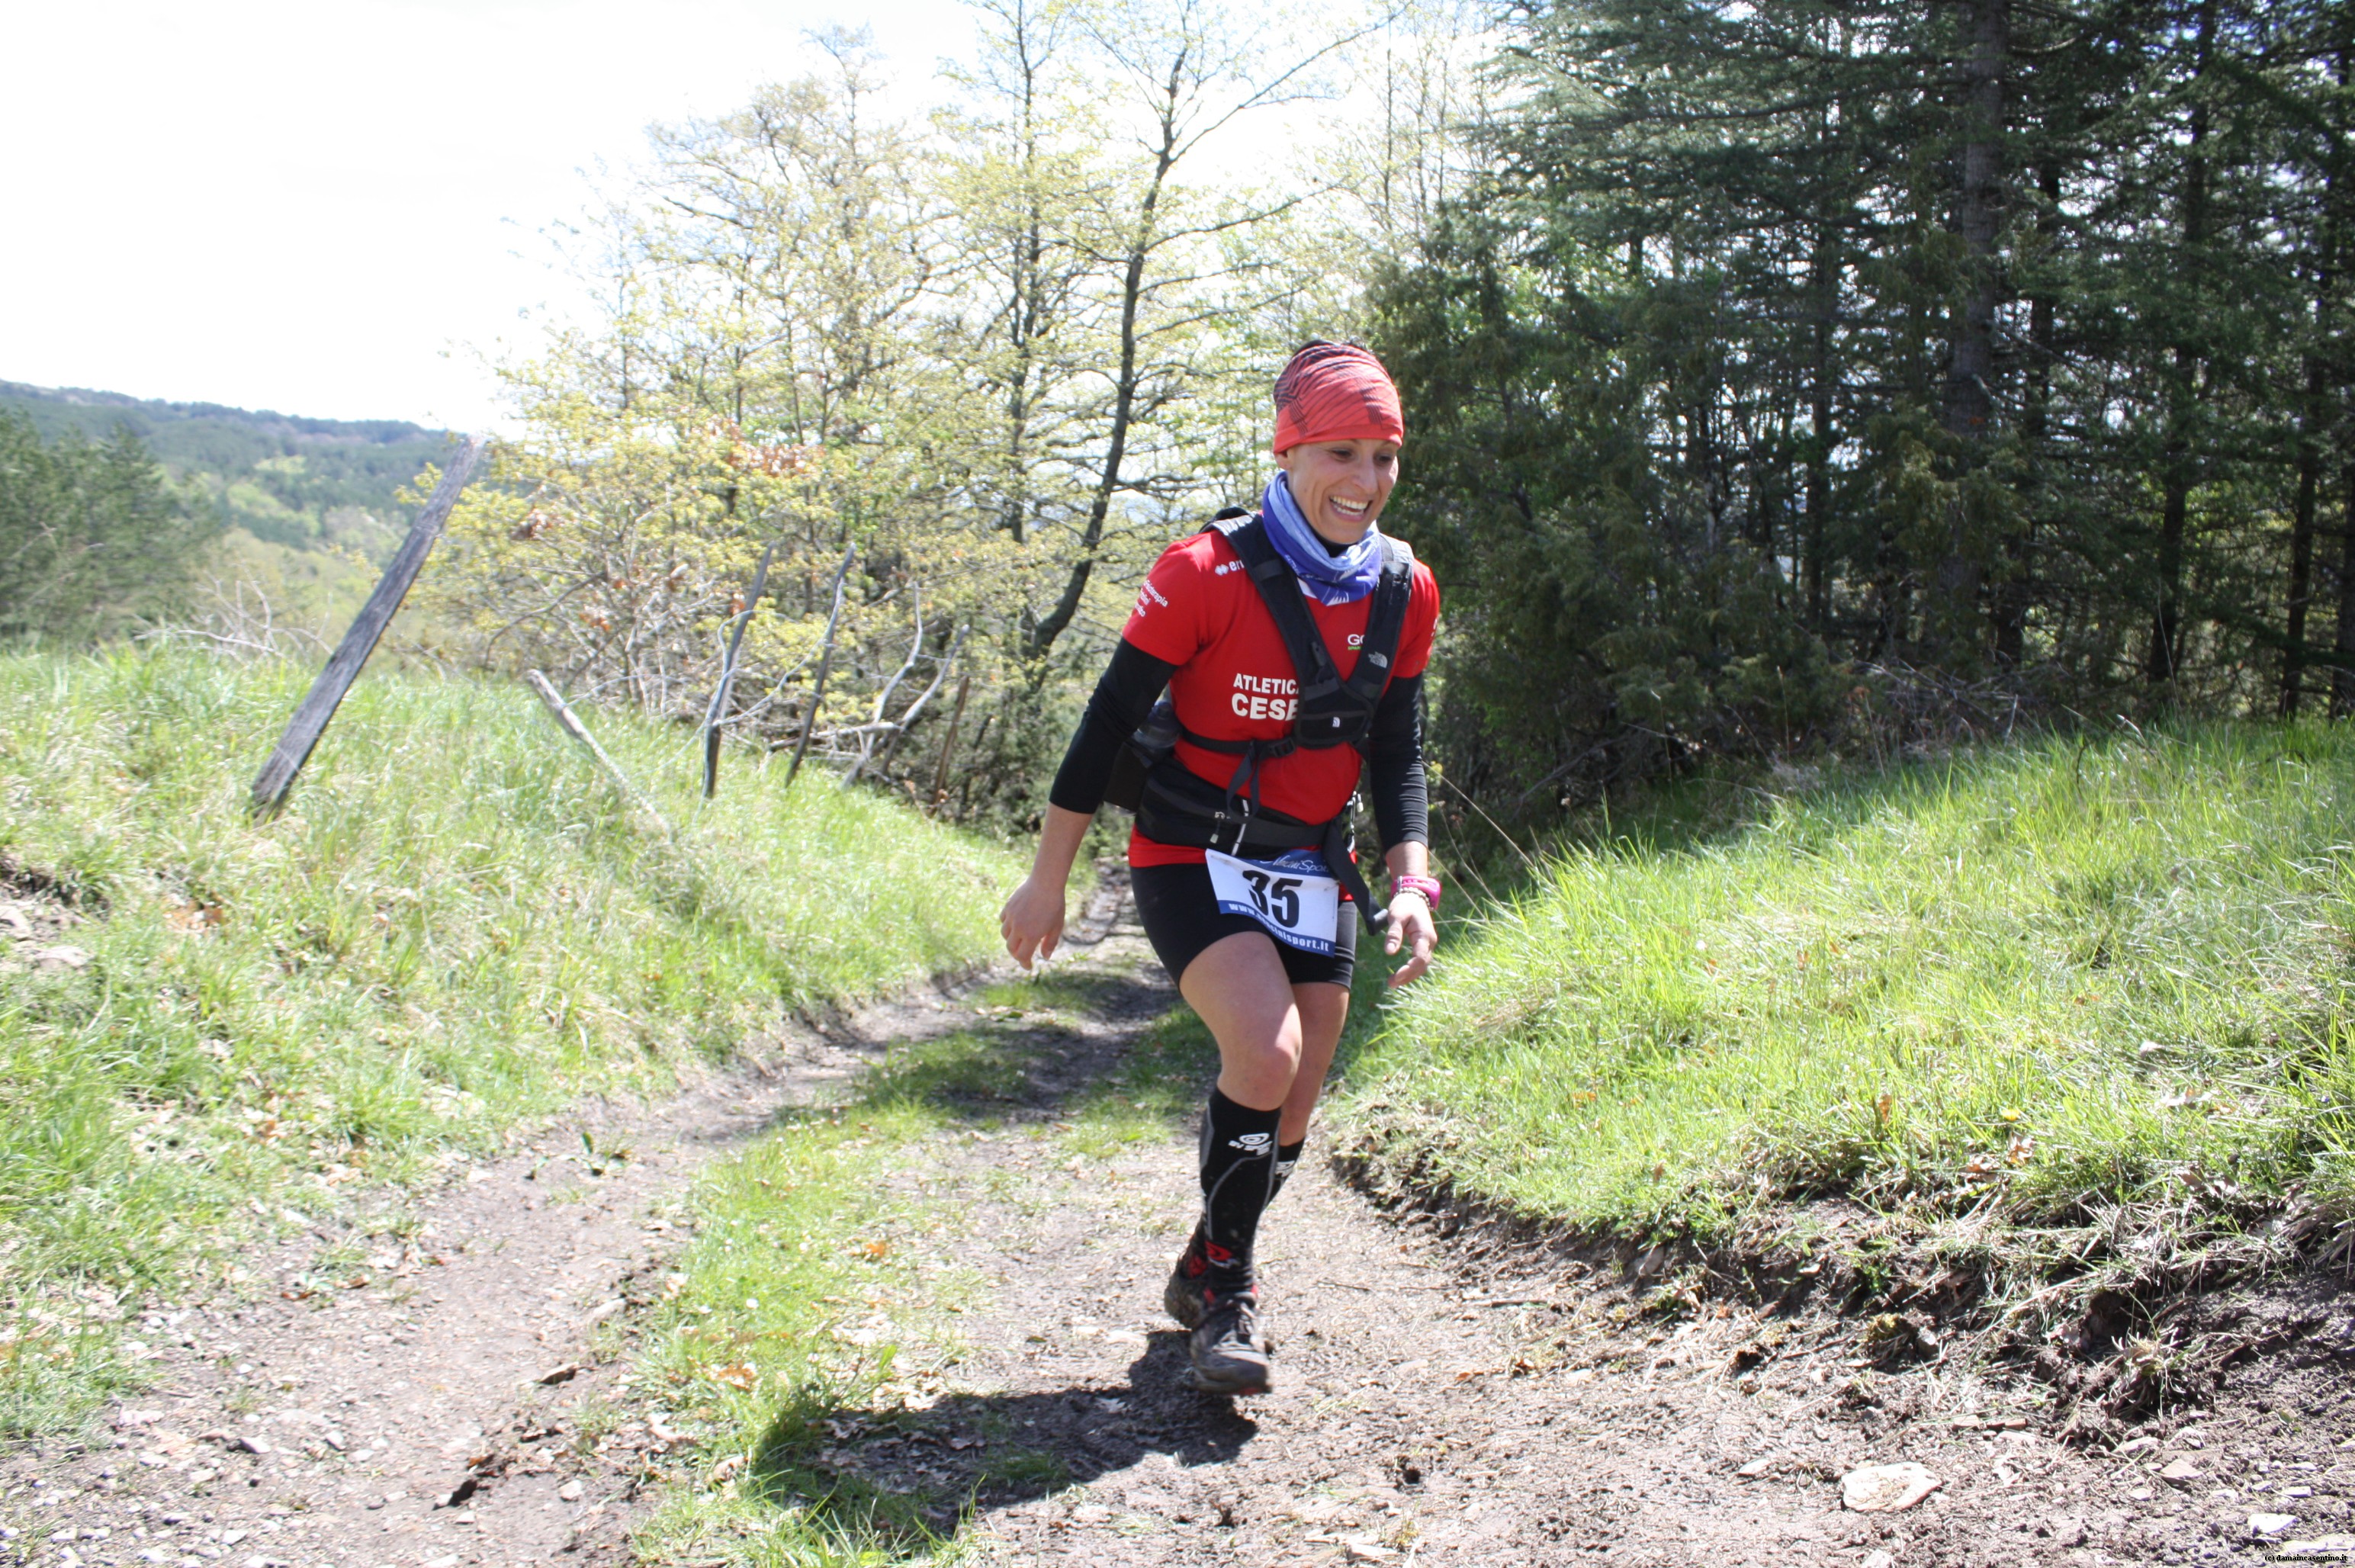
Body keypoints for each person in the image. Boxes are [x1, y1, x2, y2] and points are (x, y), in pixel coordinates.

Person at [998, 339, 1442, 1396]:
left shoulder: (1403, 588)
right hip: (1190, 849)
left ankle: (1205, 1261)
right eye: (1341, 452)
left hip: (1310, 859)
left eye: (1384, 457)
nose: (1365, 481)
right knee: (1265, 1049)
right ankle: (1233, 1298)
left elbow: (1397, 748)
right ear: (1289, 452)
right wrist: (1048, 876)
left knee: (1297, 1097)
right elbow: (1106, 724)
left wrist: (1412, 881)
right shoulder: (1203, 574)